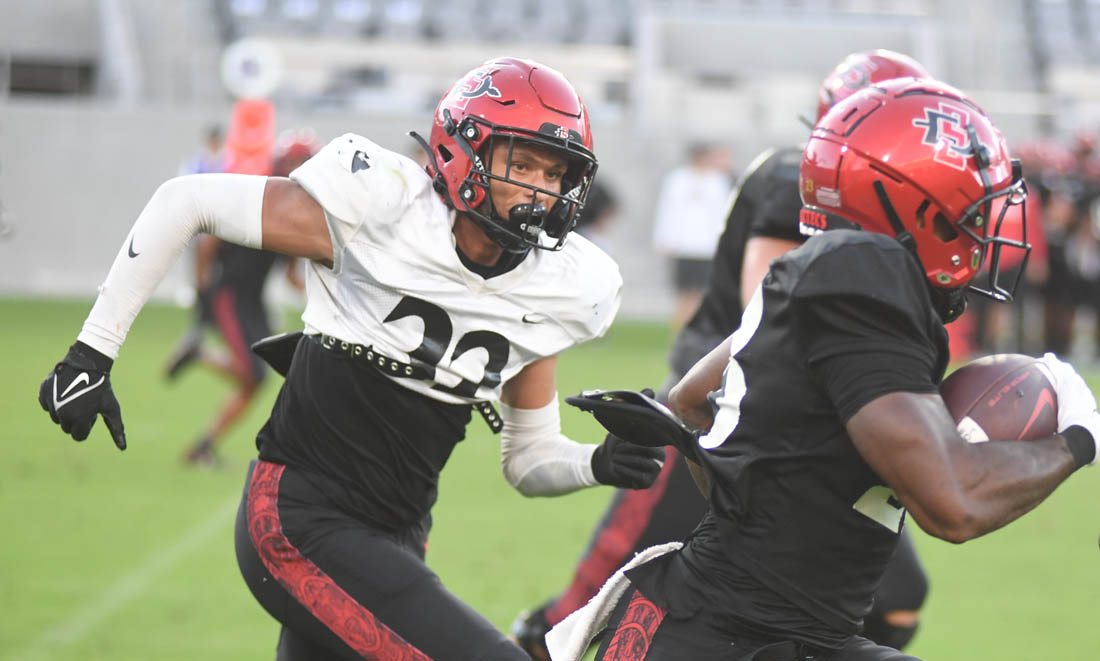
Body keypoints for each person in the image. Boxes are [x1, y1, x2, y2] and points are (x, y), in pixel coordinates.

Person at [36, 57, 665, 660]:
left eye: (555, 175)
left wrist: (597, 462)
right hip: (299, 518)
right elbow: (186, 201)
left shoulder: (560, 286)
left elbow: (528, 458)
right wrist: (93, 351)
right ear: (461, 153)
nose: (540, 189)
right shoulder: (381, 207)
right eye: (522, 164)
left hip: (399, 537)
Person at [560, 77, 1100, 661]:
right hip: (721, 636)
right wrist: (1076, 437)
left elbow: (691, 400)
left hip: (763, 627)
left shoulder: (819, 265)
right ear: (914, 204)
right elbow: (954, 503)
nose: (982, 231)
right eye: (971, 212)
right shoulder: (866, 275)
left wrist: (761, 503)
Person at [512, 49, 933, 658]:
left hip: (818, 430)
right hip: (728, 408)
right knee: (595, 601)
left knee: (894, 592)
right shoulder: (797, 180)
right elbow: (768, 307)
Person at [165, 135, 316, 467]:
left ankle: (203, 446)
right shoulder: (259, 197)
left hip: (252, 302)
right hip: (229, 295)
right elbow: (207, 243)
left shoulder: (297, 217)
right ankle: (200, 356)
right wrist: (202, 290)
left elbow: (293, 273)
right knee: (255, 375)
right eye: (300, 162)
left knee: (256, 380)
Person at [651, 142, 733, 329]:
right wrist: (664, 237)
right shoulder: (677, 179)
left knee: (702, 292)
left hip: (706, 245)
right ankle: (681, 330)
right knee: (684, 292)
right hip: (683, 245)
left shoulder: (717, 181)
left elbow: (721, 214)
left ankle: (695, 330)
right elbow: (667, 210)